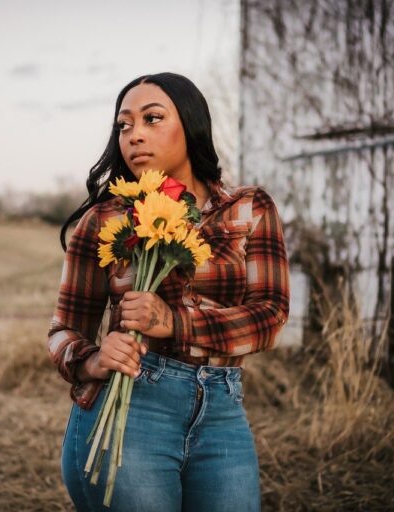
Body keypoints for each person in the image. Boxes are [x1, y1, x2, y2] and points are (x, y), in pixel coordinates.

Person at [47, 71, 290, 511]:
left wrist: (172, 321)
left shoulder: (249, 209)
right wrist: (95, 358)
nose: (134, 136)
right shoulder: (103, 221)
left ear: (192, 124)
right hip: (131, 408)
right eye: (124, 125)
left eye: (152, 119)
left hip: (223, 410)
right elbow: (63, 330)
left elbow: (270, 317)